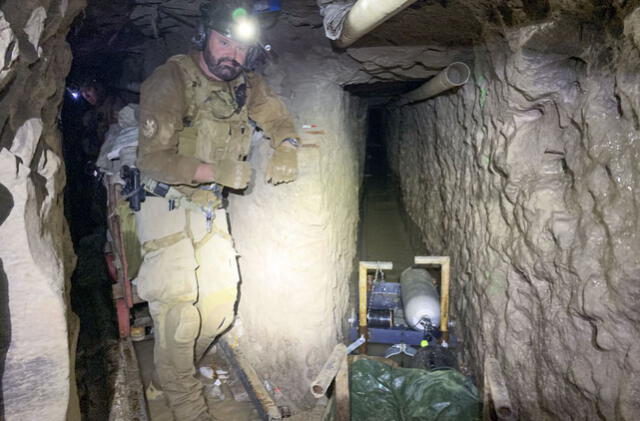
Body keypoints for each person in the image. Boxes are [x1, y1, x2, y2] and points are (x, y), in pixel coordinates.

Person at [134, 1, 300, 419]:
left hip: (209, 207)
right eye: (224, 43)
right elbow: (151, 159)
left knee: (221, 306)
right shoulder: (170, 79)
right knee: (179, 316)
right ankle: (190, 409)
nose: (232, 55)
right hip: (166, 202)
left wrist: (287, 147)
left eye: (241, 48)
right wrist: (214, 170)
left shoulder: (246, 84)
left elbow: (279, 119)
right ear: (203, 37)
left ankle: (168, 374)